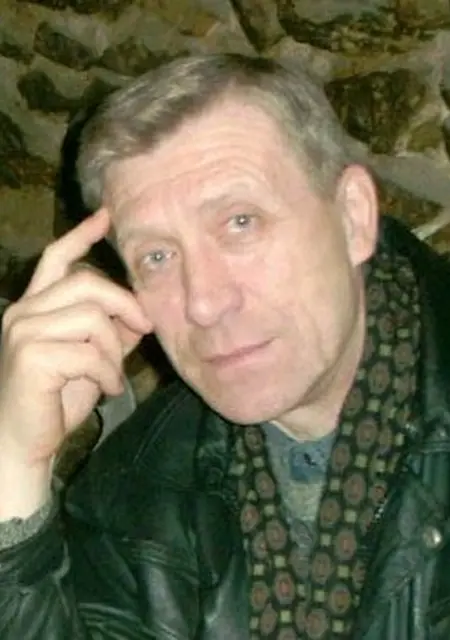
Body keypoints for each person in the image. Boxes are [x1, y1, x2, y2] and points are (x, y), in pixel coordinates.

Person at [0, 53, 449, 640]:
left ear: (353, 218)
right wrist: (14, 464)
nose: (204, 302)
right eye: (157, 256)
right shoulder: (136, 492)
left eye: (241, 222)